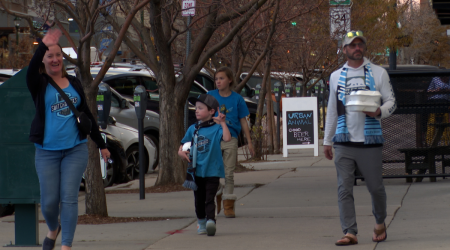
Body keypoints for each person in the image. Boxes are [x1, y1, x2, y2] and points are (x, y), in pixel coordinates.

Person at [26, 29, 110, 250]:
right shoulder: (39, 83)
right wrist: (43, 45)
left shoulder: (73, 82)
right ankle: (53, 228)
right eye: (50, 56)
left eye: (58, 55)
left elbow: (87, 115)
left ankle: (66, 246)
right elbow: (30, 72)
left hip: (75, 149)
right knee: (49, 202)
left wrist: (101, 144)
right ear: (43, 60)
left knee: (69, 198)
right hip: (46, 151)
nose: (55, 59)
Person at [323, 30, 396, 246]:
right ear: (344, 49)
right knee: (344, 188)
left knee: (375, 188)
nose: (357, 48)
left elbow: (392, 102)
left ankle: (380, 221)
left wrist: (378, 112)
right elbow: (332, 110)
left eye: (360, 44)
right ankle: (350, 232)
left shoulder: (378, 73)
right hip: (344, 142)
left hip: (370, 142)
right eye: (352, 45)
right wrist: (327, 140)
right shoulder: (336, 76)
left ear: (364, 47)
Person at [178, 94, 231, 236]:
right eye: (196, 108)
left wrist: (223, 123)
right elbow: (183, 145)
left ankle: (211, 222)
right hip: (197, 171)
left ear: (211, 111)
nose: (196, 111)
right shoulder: (193, 129)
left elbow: (227, 138)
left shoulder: (216, 128)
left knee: (209, 198)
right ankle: (201, 222)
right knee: (199, 199)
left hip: (213, 170)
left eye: (200, 108)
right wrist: (181, 153)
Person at [207, 67, 254, 218]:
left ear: (230, 80)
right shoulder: (210, 96)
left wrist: (249, 141)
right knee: (212, 171)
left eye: (221, 78)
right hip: (213, 138)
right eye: (216, 79)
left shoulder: (237, 99)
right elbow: (202, 113)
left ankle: (228, 205)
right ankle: (219, 191)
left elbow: (244, 121)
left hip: (231, 138)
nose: (218, 81)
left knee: (229, 173)